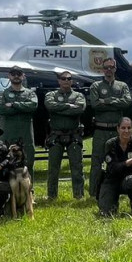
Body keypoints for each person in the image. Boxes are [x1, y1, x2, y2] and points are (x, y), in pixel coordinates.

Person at [88, 57, 131, 197]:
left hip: (116, 131)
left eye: (111, 67)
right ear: (102, 69)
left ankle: (120, 190)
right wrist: (115, 102)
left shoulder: (122, 86)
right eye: (106, 67)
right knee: (96, 162)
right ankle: (93, 192)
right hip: (100, 130)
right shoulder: (96, 86)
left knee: (119, 161)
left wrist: (106, 101)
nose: (108, 70)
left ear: (115, 69)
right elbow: (95, 104)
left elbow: (126, 102)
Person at [44, 71, 87, 200]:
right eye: (63, 78)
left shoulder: (78, 95)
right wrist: (68, 106)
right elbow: (50, 106)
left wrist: (60, 110)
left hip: (73, 135)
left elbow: (80, 108)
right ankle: (52, 195)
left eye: (69, 78)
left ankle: (78, 195)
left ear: (72, 81)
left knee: (77, 167)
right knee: (53, 168)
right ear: (59, 80)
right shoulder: (51, 95)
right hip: (55, 136)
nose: (66, 81)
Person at [0, 66, 38, 180]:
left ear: (23, 76)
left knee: (28, 165)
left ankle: (29, 193)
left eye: (19, 74)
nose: (16, 76)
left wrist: (13, 105)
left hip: (26, 136)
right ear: (9, 76)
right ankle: (5, 193)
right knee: (5, 164)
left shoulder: (30, 94)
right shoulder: (2, 94)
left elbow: (33, 106)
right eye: (13, 74)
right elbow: (0, 109)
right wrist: (23, 107)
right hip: (7, 136)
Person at [97, 117, 132, 216]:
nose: (126, 131)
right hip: (112, 179)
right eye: (123, 128)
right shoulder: (110, 144)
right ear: (118, 129)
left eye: (129, 128)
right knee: (106, 213)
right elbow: (113, 167)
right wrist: (129, 161)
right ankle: (112, 202)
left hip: (129, 179)